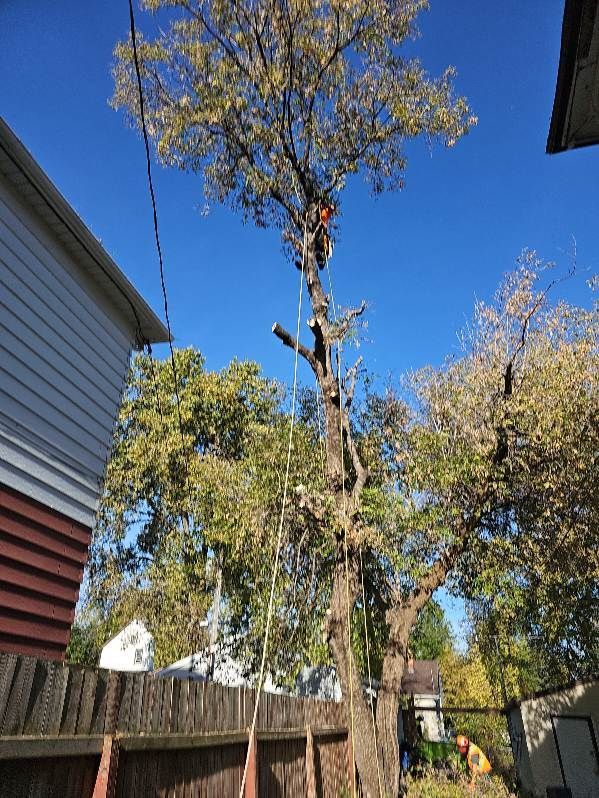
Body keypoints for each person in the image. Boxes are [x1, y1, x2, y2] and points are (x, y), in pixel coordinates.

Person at [315, 201, 334, 268]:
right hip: (320, 226)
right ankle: (320, 258)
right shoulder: (324, 209)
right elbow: (320, 214)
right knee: (318, 243)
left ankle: (321, 259)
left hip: (323, 228)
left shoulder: (328, 212)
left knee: (321, 245)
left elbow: (324, 220)